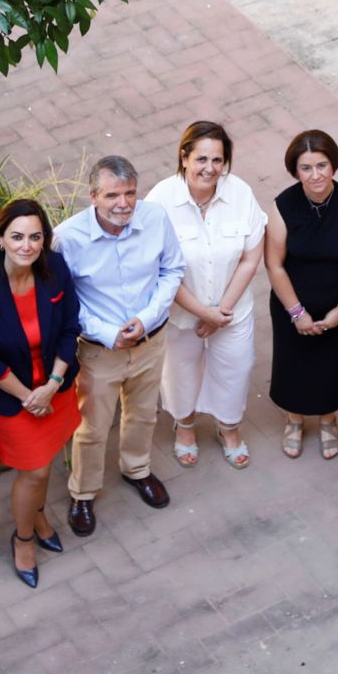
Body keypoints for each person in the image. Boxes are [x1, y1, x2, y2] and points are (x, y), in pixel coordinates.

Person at [53, 156, 185, 532]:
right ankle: (82, 493)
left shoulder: (155, 218)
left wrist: (146, 317)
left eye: (130, 193)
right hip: (98, 352)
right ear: (93, 195)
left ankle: (137, 469)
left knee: (144, 413)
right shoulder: (67, 238)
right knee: (91, 428)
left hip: (151, 340)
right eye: (112, 195)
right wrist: (108, 332)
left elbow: (173, 269)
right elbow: (62, 301)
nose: (123, 203)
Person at [0, 199, 80, 589]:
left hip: (55, 386)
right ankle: (24, 537)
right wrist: (30, 397)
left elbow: (68, 328)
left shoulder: (55, 271)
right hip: (12, 397)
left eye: (35, 236)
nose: (27, 245)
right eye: (16, 237)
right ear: (0, 239)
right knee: (36, 469)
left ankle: (40, 515)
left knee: (46, 458)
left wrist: (53, 384)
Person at [145, 121, 267, 470]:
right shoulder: (160, 201)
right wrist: (201, 311)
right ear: (184, 158)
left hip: (232, 311)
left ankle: (229, 429)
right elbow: (159, 268)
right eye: (201, 159)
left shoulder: (240, 193)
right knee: (180, 371)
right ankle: (184, 428)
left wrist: (220, 312)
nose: (210, 169)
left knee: (235, 369)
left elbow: (250, 255)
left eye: (218, 160)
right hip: (180, 315)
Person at [266, 130, 338, 460]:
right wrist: (297, 312)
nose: (315, 175)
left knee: (333, 365)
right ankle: (294, 419)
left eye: (322, 165)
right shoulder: (282, 206)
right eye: (306, 168)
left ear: (334, 165)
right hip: (292, 304)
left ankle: (327, 419)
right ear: (295, 171)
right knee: (293, 363)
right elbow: (275, 265)